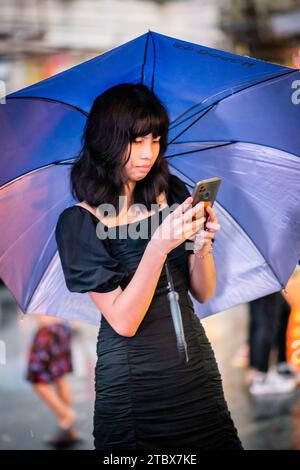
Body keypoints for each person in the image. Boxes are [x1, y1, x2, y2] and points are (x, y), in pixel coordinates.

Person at [55, 83, 243, 450]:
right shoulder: (79, 222)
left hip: (196, 372)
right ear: (107, 140)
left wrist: (201, 247)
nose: (148, 153)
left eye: (155, 140)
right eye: (137, 141)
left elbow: (203, 292)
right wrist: (157, 248)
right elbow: (124, 322)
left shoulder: (172, 192)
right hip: (133, 384)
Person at [25, 314, 80, 447]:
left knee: (37, 381)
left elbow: (44, 314)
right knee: (59, 377)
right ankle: (70, 431)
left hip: (48, 331)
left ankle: (67, 416)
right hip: (63, 328)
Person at [248, 292, 297, 396]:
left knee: (284, 309)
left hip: (257, 280)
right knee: (266, 320)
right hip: (261, 280)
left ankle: (280, 366)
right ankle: (261, 378)